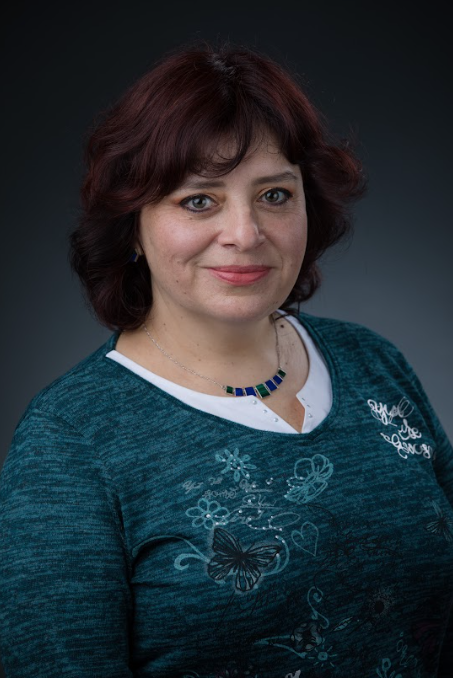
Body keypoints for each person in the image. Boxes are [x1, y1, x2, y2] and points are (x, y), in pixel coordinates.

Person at [0, 40, 452, 678]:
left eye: (275, 195)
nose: (245, 233)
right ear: (133, 225)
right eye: (198, 200)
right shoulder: (71, 440)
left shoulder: (373, 361)